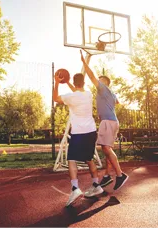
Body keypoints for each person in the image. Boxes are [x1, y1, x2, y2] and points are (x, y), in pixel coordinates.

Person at [53, 72, 103, 207]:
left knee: (71, 159)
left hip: (78, 133)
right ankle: (96, 185)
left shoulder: (71, 97)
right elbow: (77, 91)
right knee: (89, 159)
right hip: (91, 131)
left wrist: (57, 82)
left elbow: (55, 98)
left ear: (74, 83)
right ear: (84, 83)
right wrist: (69, 82)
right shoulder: (88, 94)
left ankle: (75, 189)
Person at [80, 50, 128, 190]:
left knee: (106, 148)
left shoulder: (103, 88)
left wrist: (84, 62)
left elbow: (91, 75)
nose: (97, 82)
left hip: (107, 121)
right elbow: (118, 102)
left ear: (104, 82)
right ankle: (107, 175)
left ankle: (120, 175)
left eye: (100, 80)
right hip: (113, 121)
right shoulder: (111, 93)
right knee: (108, 149)